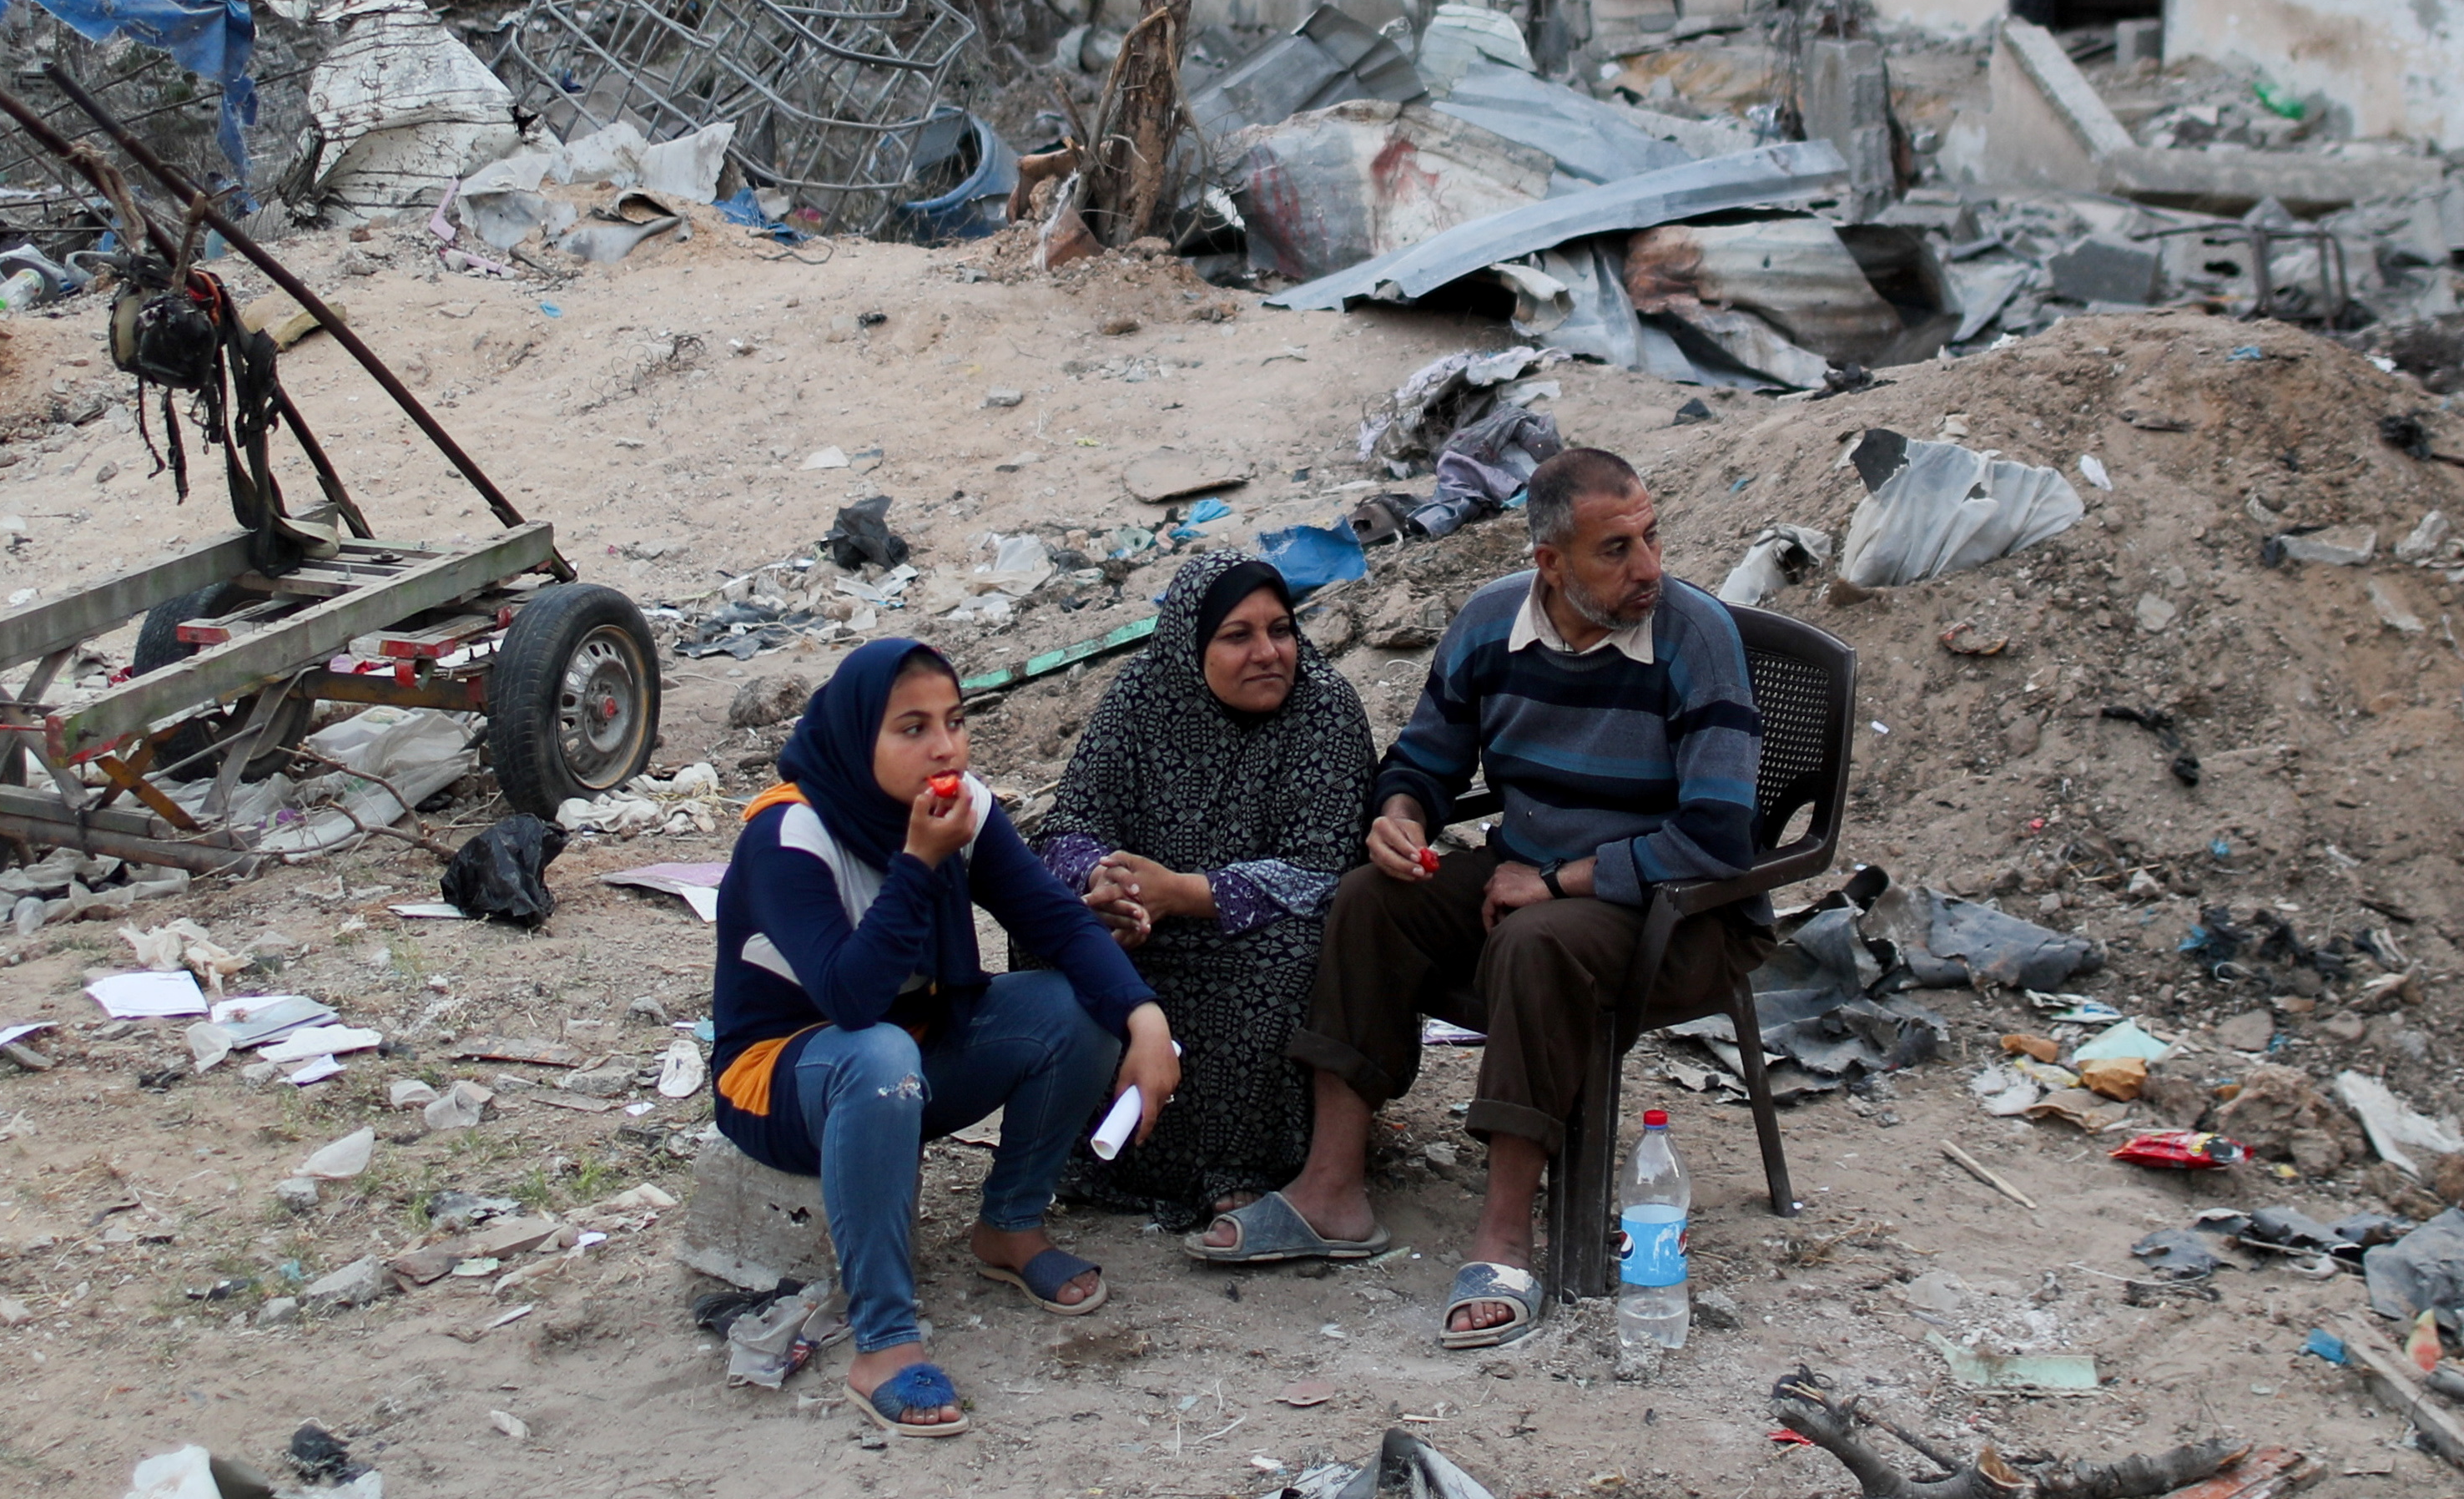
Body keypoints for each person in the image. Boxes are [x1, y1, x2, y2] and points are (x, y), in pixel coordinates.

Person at [1189, 445, 1764, 1351]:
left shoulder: (1692, 637)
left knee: (1534, 941)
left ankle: (1504, 1231)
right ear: (1549, 562)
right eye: (1615, 549)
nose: (1648, 566)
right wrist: (1400, 814)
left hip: (1677, 912)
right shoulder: (1493, 620)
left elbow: (1719, 835)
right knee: (1370, 898)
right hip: (1520, 879)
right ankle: (1331, 1187)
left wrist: (1559, 879)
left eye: (1651, 536)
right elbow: (1424, 754)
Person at [709, 638, 1180, 1436]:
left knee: (1076, 1006)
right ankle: (884, 1343)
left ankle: (1009, 1226)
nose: (944, 747)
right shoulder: (789, 836)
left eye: (956, 722)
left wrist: (1145, 1018)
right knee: (879, 1052)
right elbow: (851, 997)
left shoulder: (962, 807)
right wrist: (919, 864)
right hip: (782, 1081)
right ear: (858, 738)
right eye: (911, 728)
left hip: (910, 1055)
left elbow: (1056, 922)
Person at [1030, 552, 1381, 1222]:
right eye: (1237, 636)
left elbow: (1323, 870)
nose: (1269, 653)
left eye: (1280, 630)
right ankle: (1093, 1157)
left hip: (1250, 930)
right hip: (1145, 922)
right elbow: (1067, 825)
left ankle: (1239, 1169)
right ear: (1191, 643)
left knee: (1294, 959)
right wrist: (1107, 882)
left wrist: (1189, 893)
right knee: (1050, 934)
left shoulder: (1324, 709)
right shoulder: (1142, 697)